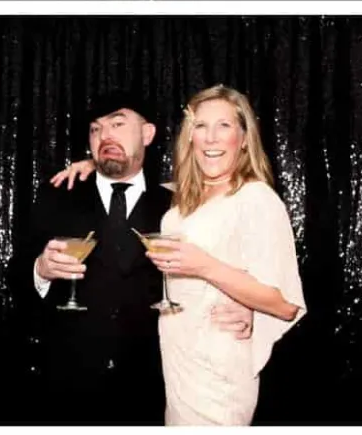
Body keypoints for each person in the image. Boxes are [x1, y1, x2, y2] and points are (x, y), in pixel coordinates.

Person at [53, 85, 306, 426]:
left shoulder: (257, 197)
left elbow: (285, 304)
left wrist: (212, 273)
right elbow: (139, 183)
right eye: (200, 126)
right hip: (175, 362)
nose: (211, 138)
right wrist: (98, 163)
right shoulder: (184, 197)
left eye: (224, 126)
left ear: (245, 138)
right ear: (190, 136)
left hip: (217, 367)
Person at [23, 91, 251, 426]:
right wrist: (40, 270)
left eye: (117, 124)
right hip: (68, 388)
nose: (105, 136)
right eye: (96, 129)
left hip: (153, 387)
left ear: (147, 134)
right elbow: (16, 275)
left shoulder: (179, 204)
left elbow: (216, 273)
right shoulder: (57, 195)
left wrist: (243, 306)